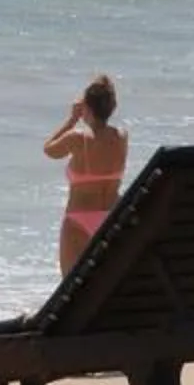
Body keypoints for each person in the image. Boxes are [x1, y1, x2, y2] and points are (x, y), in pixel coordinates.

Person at [42, 74, 130, 273]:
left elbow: (49, 150)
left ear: (86, 107)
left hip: (79, 218)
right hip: (111, 216)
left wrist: (72, 119)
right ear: (112, 107)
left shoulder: (78, 138)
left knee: (70, 281)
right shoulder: (121, 136)